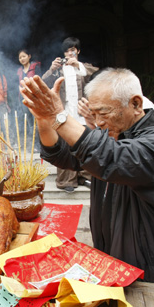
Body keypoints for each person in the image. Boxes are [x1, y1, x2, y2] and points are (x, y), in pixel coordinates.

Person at [20, 68, 154, 285]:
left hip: (151, 264)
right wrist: (44, 120)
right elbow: (63, 156)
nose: (97, 122)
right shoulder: (110, 136)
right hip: (111, 257)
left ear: (136, 104)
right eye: (93, 114)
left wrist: (58, 117)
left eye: (104, 112)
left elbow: (113, 157)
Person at [42, 37, 98, 192]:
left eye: (72, 50)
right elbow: (42, 83)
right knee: (67, 145)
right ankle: (67, 181)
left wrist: (77, 65)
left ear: (78, 51)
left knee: (86, 145)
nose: (69, 53)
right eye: (67, 51)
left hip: (83, 113)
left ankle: (86, 177)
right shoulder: (59, 69)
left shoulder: (84, 67)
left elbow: (98, 75)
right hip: (65, 113)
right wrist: (52, 69)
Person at [17, 49, 42, 151]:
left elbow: (40, 82)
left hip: (35, 99)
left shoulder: (35, 68)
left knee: (38, 123)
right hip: (24, 101)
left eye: (24, 56)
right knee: (29, 124)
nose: (22, 59)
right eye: (20, 57)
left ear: (29, 56)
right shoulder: (19, 71)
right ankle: (34, 146)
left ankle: (42, 145)